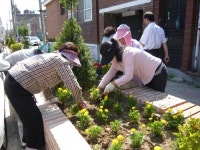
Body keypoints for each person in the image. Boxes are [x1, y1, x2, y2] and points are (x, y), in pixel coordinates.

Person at [4, 42, 87, 150]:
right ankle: (33, 147)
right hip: (17, 86)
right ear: (70, 58)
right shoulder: (62, 62)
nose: (72, 66)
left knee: (28, 116)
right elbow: (73, 85)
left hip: (14, 82)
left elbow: (44, 81)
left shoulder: (52, 57)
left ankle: (25, 142)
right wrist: (80, 101)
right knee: (34, 118)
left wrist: (49, 98)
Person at [97, 38, 168, 94]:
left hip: (158, 72)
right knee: (150, 98)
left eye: (109, 58)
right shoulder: (116, 60)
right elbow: (109, 74)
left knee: (156, 97)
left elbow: (129, 75)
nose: (110, 60)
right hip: (148, 75)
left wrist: (113, 84)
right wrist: (99, 88)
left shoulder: (127, 53)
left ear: (113, 53)